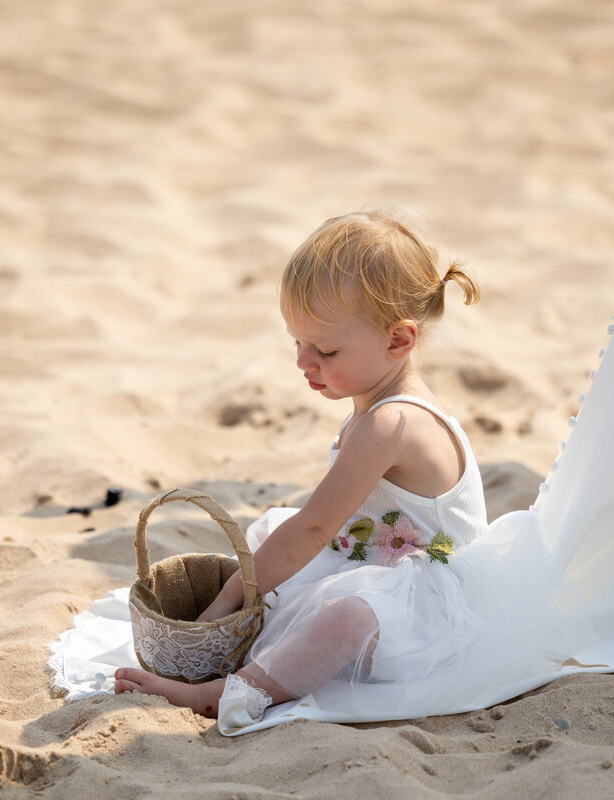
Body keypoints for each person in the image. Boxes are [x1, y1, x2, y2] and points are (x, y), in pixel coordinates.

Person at [112, 208, 508, 727]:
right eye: (296, 342)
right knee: (272, 542)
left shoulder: (392, 424)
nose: (303, 361)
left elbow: (317, 527)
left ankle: (233, 691)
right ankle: (259, 658)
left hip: (429, 611)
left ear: (398, 340)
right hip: (371, 565)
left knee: (343, 615)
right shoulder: (374, 395)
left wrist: (234, 594)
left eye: (324, 348)